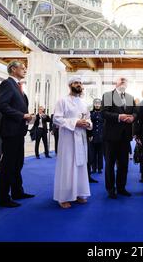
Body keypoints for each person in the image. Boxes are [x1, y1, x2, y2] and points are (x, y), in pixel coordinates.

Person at [0, 61, 35, 208]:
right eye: (22, 68)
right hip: (10, 131)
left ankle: (17, 191)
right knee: (8, 165)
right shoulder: (7, 83)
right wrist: (22, 115)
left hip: (18, 131)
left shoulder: (18, 86)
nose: (25, 70)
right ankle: (4, 198)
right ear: (13, 69)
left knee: (17, 163)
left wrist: (26, 116)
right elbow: (1, 105)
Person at [53, 76, 92, 209]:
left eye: (80, 83)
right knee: (68, 165)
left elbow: (88, 118)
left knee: (80, 165)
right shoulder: (62, 100)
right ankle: (63, 197)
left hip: (80, 136)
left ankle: (80, 193)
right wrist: (75, 122)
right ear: (70, 85)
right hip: (68, 138)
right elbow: (57, 119)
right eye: (76, 83)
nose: (79, 85)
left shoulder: (84, 102)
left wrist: (87, 124)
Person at [102, 76, 137, 199]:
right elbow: (104, 113)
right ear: (115, 83)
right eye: (120, 79)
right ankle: (111, 189)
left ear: (127, 84)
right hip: (110, 137)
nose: (123, 81)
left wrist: (133, 117)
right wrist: (119, 117)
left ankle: (121, 187)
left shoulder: (130, 97)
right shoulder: (107, 95)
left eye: (125, 80)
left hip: (125, 137)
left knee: (124, 164)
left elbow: (135, 112)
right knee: (110, 164)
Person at [88, 98, 104, 175]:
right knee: (93, 153)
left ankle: (100, 168)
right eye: (96, 103)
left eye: (99, 104)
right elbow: (89, 125)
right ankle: (93, 168)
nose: (97, 105)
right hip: (93, 136)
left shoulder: (103, 113)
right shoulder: (90, 113)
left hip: (101, 136)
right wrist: (90, 135)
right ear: (94, 104)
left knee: (100, 153)